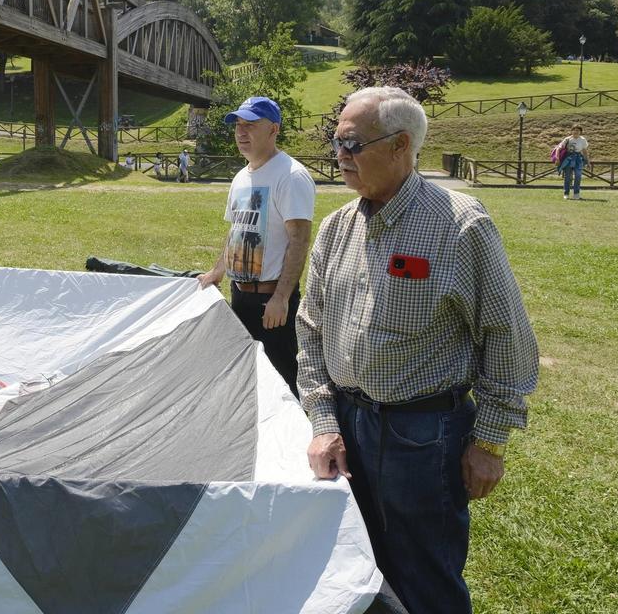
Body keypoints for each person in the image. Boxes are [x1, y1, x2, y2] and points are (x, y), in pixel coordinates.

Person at [297, 86, 539, 614]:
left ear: (401, 145)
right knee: (356, 570)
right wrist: (323, 421)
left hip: (424, 436)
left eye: (352, 145)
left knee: (426, 578)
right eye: (335, 144)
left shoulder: (459, 224)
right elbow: (311, 328)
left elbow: (507, 336)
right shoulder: (338, 227)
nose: (339, 157)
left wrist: (490, 443)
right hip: (348, 427)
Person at [197, 96, 315, 396]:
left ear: (273, 129)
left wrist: (281, 297)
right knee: (248, 376)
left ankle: (296, 438)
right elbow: (236, 230)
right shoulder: (240, 177)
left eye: (250, 125)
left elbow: (299, 240)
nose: (241, 132)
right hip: (240, 295)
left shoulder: (291, 176)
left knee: (282, 379)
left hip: (271, 300)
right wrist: (216, 271)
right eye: (238, 125)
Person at [557, 125, 591, 200]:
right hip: (568, 159)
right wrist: (557, 158)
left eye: (578, 130)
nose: (576, 131)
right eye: (574, 130)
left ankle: (576, 194)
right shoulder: (567, 139)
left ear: (580, 132)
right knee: (568, 177)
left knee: (578, 176)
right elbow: (559, 148)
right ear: (571, 131)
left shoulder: (582, 140)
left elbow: (585, 151)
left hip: (578, 159)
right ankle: (566, 194)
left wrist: (588, 162)